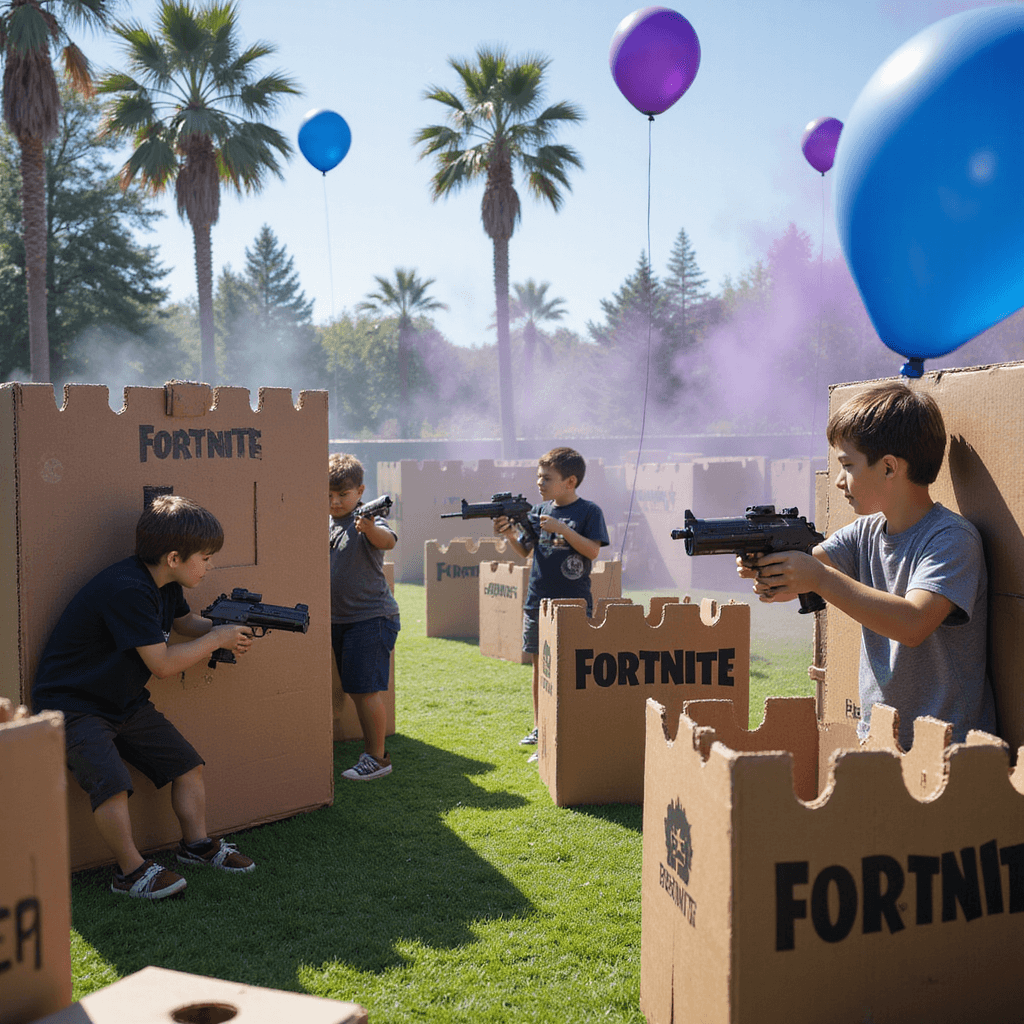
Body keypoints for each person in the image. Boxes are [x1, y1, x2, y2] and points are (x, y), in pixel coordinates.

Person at [740, 382, 997, 749]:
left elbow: (912, 623)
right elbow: (803, 574)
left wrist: (817, 578)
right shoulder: (864, 532)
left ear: (890, 467)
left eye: (847, 465)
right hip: (880, 740)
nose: (840, 480)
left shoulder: (952, 539)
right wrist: (768, 568)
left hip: (950, 748)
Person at [32, 495, 257, 900]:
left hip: (122, 700)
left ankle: (196, 846)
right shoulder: (128, 589)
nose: (210, 565)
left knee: (188, 766)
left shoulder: (165, 583)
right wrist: (216, 639)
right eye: (205, 558)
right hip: (73, 706)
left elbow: (184, 623)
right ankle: (130, 872)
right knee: (112, 785)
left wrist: (231, 626)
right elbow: (163, 664)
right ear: (174, 557)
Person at [494, 447, 610, 762]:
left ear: (570, 481)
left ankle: (566, 729)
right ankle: (539, 727)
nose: (539, 483)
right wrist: (508, 534)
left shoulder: (589, 512)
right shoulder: (537, 511)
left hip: (573, 605)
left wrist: (562, 529)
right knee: (538, 667)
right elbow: (524, 552)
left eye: (547, 477)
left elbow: (593, 551)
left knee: (569, 668)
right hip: (537, 602)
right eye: (538, 476)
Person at [329, 453, 401, 781]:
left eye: (342, 495)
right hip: (340, 620)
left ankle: (377, 758)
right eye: (328, 495)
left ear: (360, 490)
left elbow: (388, 541)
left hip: (371, 617)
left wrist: (369, 527)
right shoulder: (328, 522)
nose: (334, 501)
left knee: (365, 690)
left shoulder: (369, 520)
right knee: (355, 688)